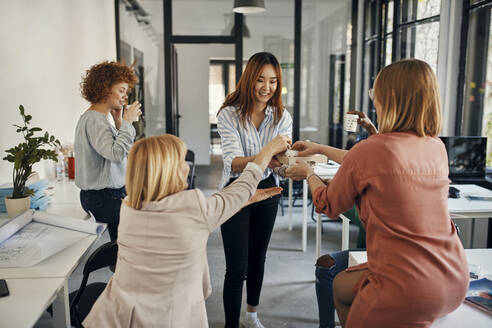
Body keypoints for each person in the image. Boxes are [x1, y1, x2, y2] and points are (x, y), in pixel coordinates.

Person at [285, 59, 468, 327]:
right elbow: (380, 158)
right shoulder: (436, 147)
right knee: (340, 286)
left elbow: (328, 204)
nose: (374, 102)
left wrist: (309, 174)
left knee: (337, 283)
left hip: (407, 286)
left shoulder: (371, 151)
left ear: (391, 99)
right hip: (453, 277)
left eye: (376, 95)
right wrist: (322, 148)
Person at [83, 133, 291, 328]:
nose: (187, 168)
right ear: (166, 171)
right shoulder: (195, 207)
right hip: (170, 318)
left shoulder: (129, 206)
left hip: (118, 315)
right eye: (181, 162)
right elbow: (241, 186)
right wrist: (269, 149)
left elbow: (203, 209)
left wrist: (240, 199)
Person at [217, 51, 293, 328]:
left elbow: (282, 164)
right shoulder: (228, 115)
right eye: (260, 80)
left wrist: (280, 162)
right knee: (236, 268)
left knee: (257, 259)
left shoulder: (282, 116)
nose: (266, 87)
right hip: (235, 192)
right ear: (249, 79)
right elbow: (233, 163)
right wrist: (268, 153)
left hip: (268, 191)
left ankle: (251, 316)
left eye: (273, 81)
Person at [75, 60, 142, 241]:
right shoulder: (95, 120)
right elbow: (116, 154)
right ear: (105, 88)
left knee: (123, 244)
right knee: (127, 244)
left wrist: (120, 122)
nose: (124, 97)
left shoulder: (98, 118)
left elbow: (119, 151)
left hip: (106, 196)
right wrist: (127, 123)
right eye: (121, 90)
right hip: (105, 198)